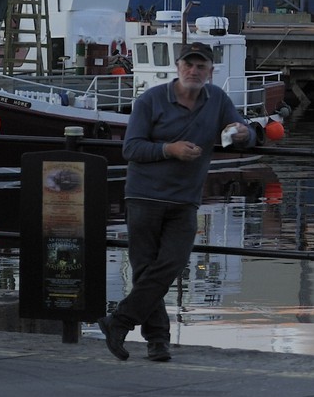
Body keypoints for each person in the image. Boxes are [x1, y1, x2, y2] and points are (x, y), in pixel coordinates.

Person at [97, 41, 254, 362]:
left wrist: (242, 133)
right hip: (144, 196)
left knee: (171, 264)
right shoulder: (150, 100)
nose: (193, 71)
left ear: (210, 72)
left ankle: (119, 321)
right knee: (145, 269)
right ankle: (157, 341)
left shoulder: (217, 100)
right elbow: (131, 148)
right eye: (188, 65)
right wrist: (170, 149)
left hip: (185, 199)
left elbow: (246, 132)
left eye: (200, 66)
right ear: (178, 67)